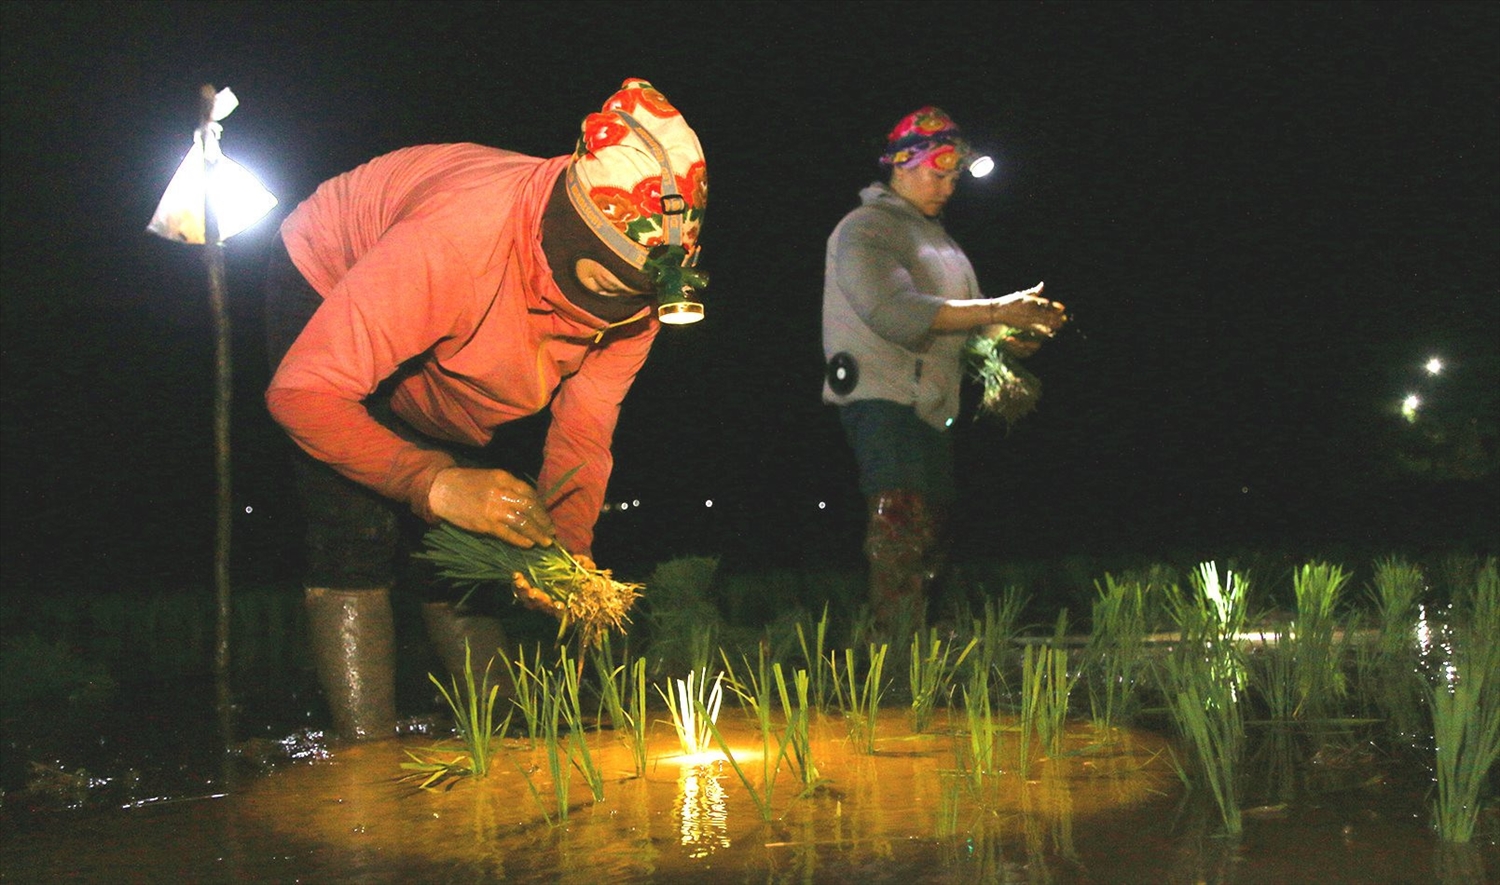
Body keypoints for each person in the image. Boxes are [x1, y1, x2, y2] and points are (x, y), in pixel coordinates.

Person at [263, 78, 709, 741]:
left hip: (463, 345)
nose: (622, 311)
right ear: (567, 236)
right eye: (607, 286)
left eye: (639, 296)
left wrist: (568, 555)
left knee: (469, 545)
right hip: (336, 281)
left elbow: (584, 432)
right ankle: (367, 760)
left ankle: (500, 735)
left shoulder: (641, 310)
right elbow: (301, 393)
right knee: (357, 531)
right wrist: (432, 480)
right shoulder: (455, 240)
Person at [821, 106, 1067, 631]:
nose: (950, 185)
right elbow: (894, 312)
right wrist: (999, 309)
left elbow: (975, 327)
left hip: (932, 407)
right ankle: (893, 664)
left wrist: (1017, 333)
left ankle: (916, 657)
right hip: (883, 399)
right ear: (901, 165)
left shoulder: (944, 245)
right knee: (900, 530)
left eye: (955, 175)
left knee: (930, 538)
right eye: (940, 172)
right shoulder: (865, 228)